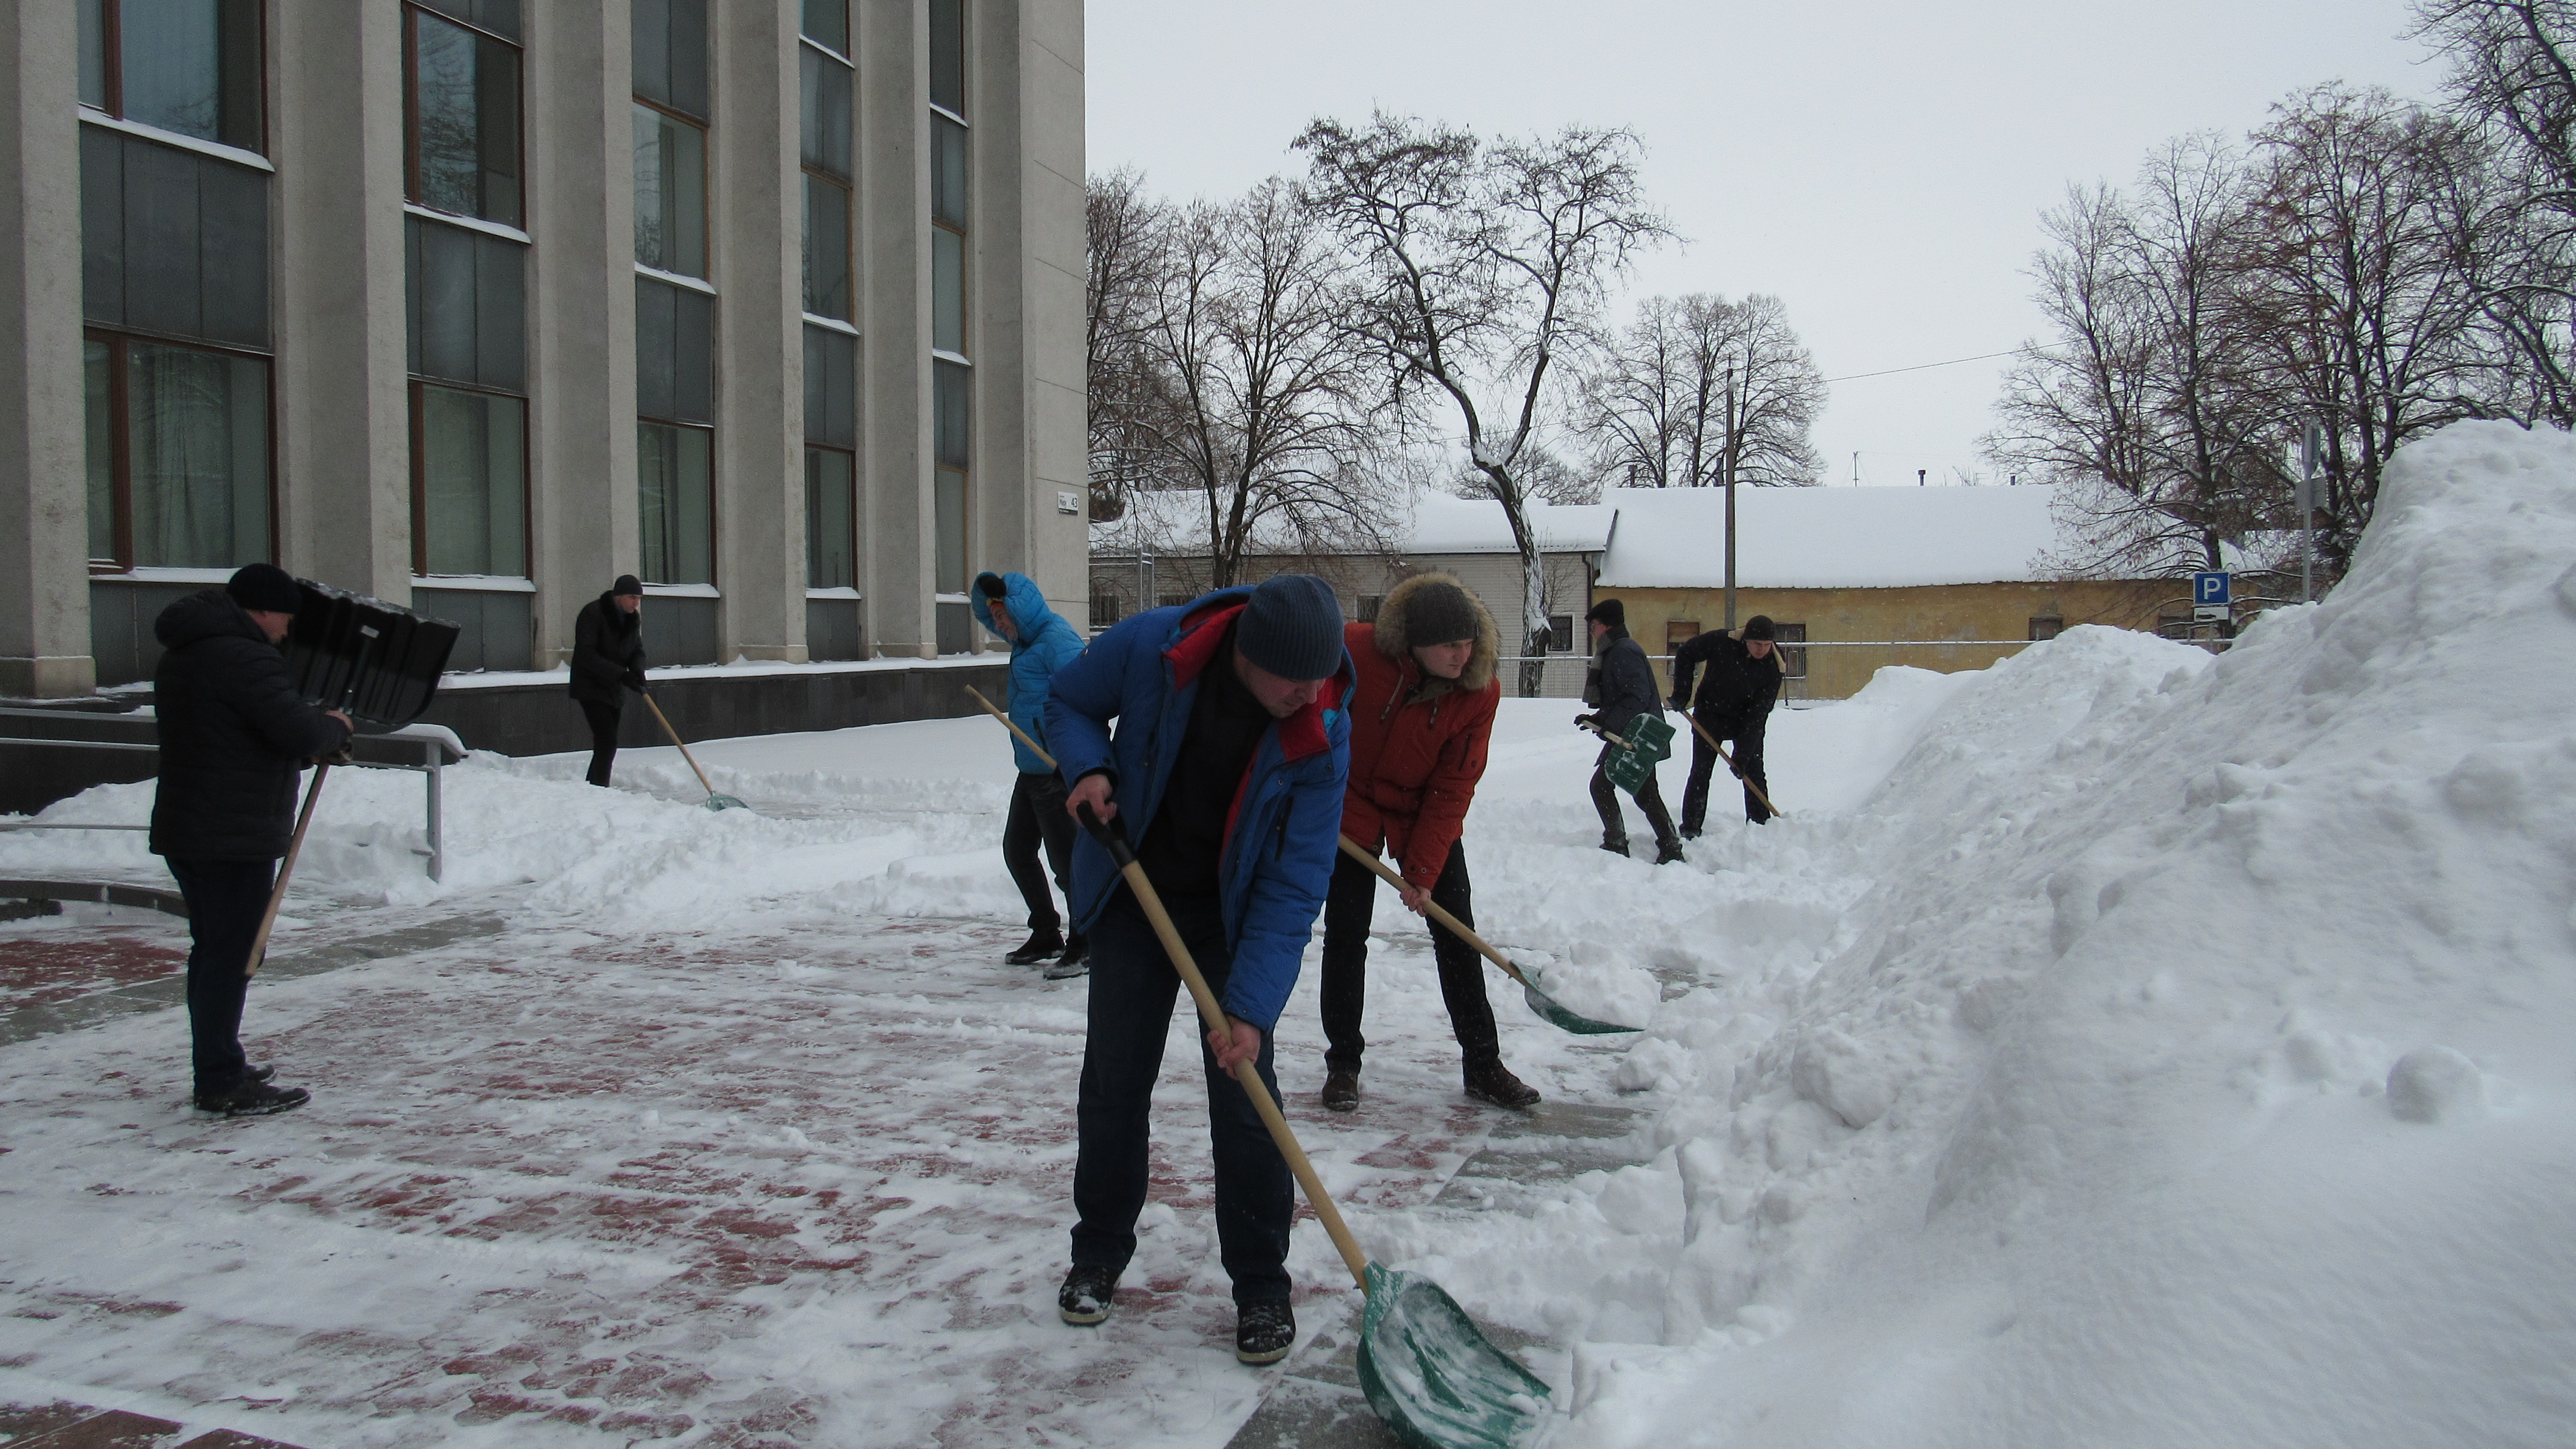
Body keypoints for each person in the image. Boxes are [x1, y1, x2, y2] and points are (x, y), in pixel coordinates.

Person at [1044, 574, 1352, 1366]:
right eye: (1294, 679)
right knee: (1115, 1084)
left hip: (1232, 919)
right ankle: (1098, 1250)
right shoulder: (1156, 645)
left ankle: (1261, 1286)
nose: (1309, 694)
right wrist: (1088, 768)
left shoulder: (1322, 724)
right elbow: (1068, 702)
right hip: (1135, 896)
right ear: (1249, 652)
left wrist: (1251, 1008)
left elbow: (1298, 880)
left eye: (1320, 677)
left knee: (1248, 1098)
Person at [1319, 573, 1538, 1114]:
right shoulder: (1355, 652)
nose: (1463, 655)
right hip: (1352, 801)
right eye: (1449, 646)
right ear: (1414, 643)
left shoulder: (1479, 690)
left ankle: (1483, 1064)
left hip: (1423, 807)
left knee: (1456, 931)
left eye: (1468, 643)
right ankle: (1343, 1063)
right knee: (1346, 933)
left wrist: (1422, 871)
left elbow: (1454, 784)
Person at [149, 564, 353, 1117]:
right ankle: (219, 1080)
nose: (287, 630)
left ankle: (220, 1060)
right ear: (261, 611)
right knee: (232, 954)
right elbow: (297, 730)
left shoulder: (185, 652)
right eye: (285, 618)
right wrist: (335, 726)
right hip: (231, 832)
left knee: (213, 948)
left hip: (190, 826)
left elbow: (236, 736)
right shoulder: (244, 657)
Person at [970, 570, 1090, 978]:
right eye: (994, 619)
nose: (999, 626)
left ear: (1020, 611)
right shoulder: (1025, 643)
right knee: (1018, 851)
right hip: (1031, 768)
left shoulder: (1057, 640)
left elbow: (1087, 697)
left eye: (1002, 617)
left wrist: (1075, 757)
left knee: (1068, 864)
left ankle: (1085, 942)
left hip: (1056, 770)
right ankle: (1046, 933)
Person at [1577, 598, 1685, 864]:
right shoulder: (1617, 649)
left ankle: (1619, 843)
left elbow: (1637, 696)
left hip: (1637, 736)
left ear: (1606, 626)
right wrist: (1597, 719)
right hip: (1633, 733)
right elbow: (1621, 698)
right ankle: (1670, 846)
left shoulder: (1623, 651)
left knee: (1602, 787)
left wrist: (1610, 724)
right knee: (1645, 793)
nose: (1592, 632)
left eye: (1594, 626)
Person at [1669, 615, 1785, 834]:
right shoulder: (1722, 642)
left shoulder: (1774, 666)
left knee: (1753, 773)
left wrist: (1742, 756)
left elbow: (1758, 715)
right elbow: (1686, 653)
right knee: (1701, 772)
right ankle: (1691, 828)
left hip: (1745, 721)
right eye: (1757, 644)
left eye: (1766, 645)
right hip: (1710, 716)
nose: (1761, 650)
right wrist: (1682, 693)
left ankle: (1761, 829)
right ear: (1746, 639)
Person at [570, 576, 647, 787]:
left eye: (639, 598)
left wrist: (637, 670)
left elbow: (637, 649)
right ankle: (600, 788)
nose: (636, 603)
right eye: (632, 597)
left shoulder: (632, 618)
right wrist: (621, 674)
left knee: (606, 743)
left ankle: (593, 786)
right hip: (591, 685)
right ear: (618, 596)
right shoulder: (593, 614)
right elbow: (587, 655)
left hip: (614, 688)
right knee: (607, 740)